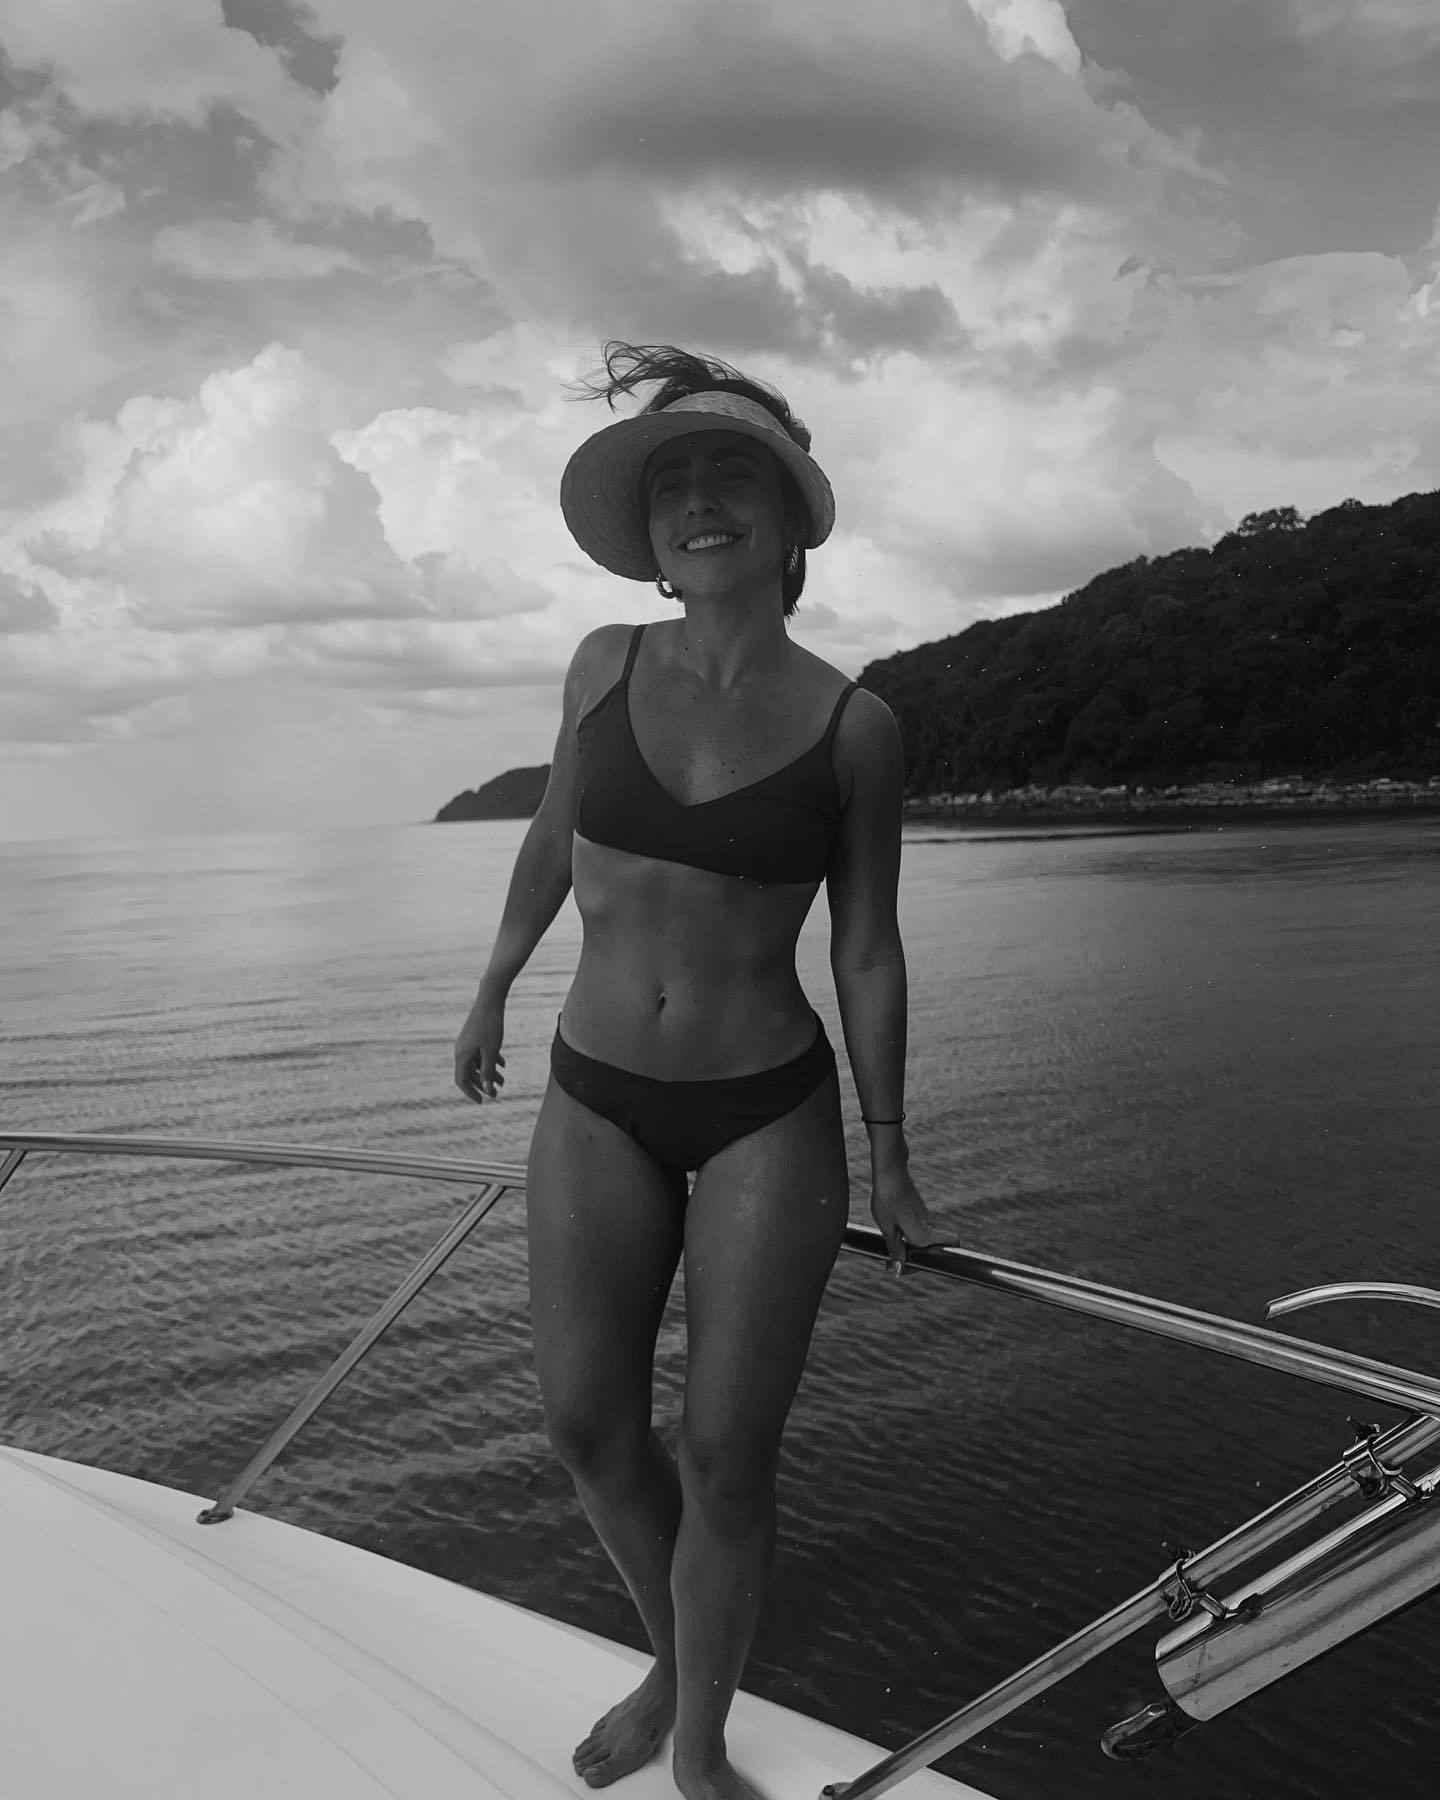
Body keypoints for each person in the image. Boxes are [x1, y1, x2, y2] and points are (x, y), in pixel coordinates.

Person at [454, 342, 938, 1800]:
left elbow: (867, 948)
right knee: (588, 1426)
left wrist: (893, 1153)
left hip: (762, 1110)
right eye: (674, 481)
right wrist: (491, 984)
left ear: (790, 522)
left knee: (725, 1454)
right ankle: (675, 1658)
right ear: (649, 533)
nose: (700, 501)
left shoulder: (856, 727)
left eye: (735, 474)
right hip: (594, 1088)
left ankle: (704, 1745)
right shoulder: (602, 663)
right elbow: (552, 836)